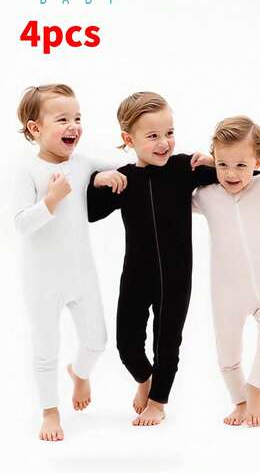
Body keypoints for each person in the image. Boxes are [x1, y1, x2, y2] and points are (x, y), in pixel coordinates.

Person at [87, 91, 218, 426]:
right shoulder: (124, 179)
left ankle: (158, 401)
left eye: (169, 133)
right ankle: (144, 378)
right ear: (128, 139)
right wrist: (98, 179)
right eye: (153, 136)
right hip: (136, 274)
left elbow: (241, 175)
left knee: (167, 343)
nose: (164, 143)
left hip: (176, 277)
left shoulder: (184, 167)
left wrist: (213, 161)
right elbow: (87, 212)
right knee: (127, 344)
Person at [14, 84, 126, 441]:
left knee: (97, 341)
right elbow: (21, 224)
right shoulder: (26, 170)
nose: (74, 126)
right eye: (62, 119)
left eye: (78, 118)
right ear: (35, 129)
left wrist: (100, 177)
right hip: (42, 279)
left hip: (81, 273)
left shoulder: (82, 163)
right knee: (46, 348)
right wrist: (52, 199)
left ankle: (79, 373)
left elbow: (126, 165)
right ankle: (50, 411)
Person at [192, 116, 260, 427]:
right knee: (227, 358)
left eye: (241, 165)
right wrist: (207, 166)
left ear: (258, 161)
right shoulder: (206, 195)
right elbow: (169, 191)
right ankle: (239, 402)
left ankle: (255, 389)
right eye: (223, 165)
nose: (231, 174)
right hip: (226, 294)